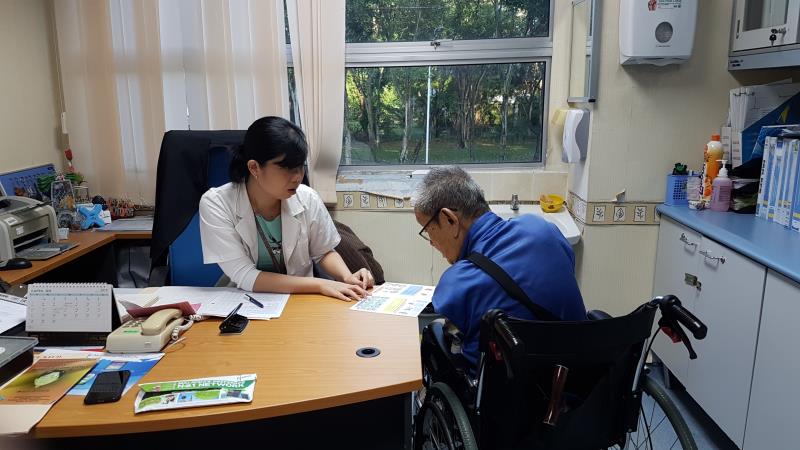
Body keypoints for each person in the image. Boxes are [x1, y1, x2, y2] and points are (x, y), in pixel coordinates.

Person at [414, 166, 586, 370]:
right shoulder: (545, 230)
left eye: (427, 230)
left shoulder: (457, 283)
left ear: (449, 219)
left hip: (508, 397)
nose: (431, 242)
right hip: (581, 382)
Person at [199, 116, 374, 301]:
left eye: (300, 166)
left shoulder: (307, 198)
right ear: (254, 167)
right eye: (287, 168)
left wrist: (347, 277)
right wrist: (322, 284)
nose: (298, 177)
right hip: (244, 302)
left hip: (299, 301)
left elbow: (323, 252)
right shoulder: (217, 203)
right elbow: (245, 275)